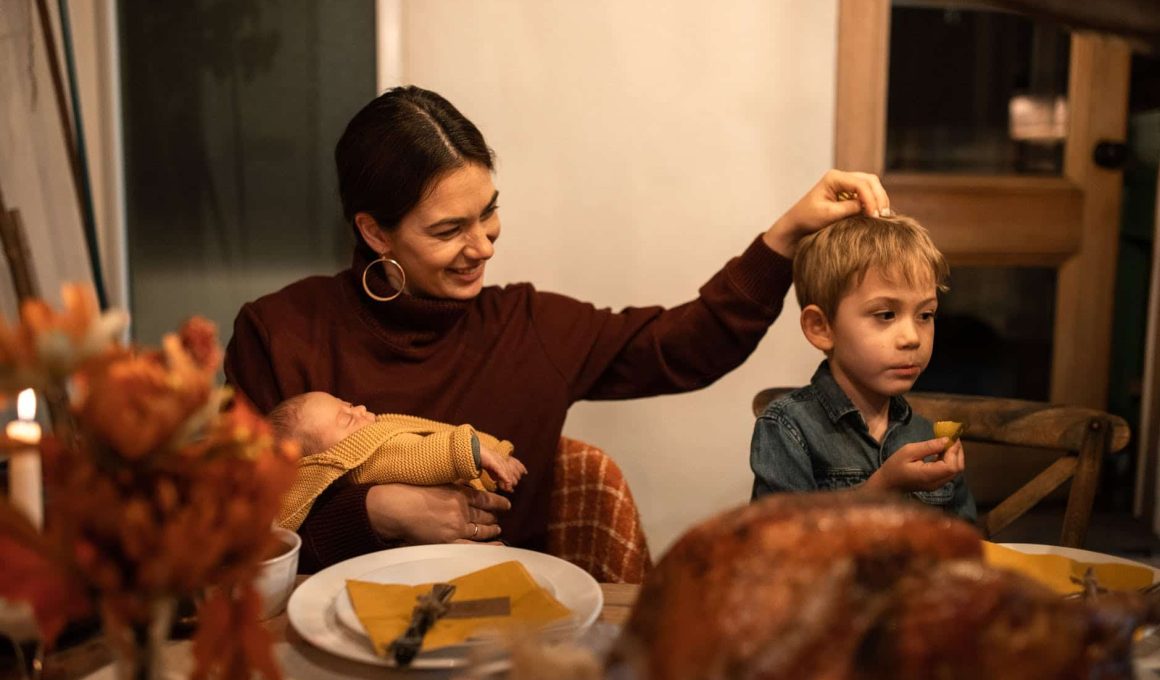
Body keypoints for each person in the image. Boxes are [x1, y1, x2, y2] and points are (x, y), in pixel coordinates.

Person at [224, 85, 895, 572]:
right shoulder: (278, 334)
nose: (483, 245)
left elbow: (690, 348)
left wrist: (785, 236)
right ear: (374, 231)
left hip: (501, 638)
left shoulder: (528, 326)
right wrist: (378, 512)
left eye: (488, 213)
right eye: (449, 229)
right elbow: (235, 539)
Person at [749, 214, 977, 521]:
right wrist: (880, 490)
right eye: (885, 315)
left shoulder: (925, 435)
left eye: (925, 315)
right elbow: (778, 547)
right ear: (821, 327)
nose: (912, 338)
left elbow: (967, 543)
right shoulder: (788, 427)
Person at [269, 391, 526, 533]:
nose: (358, 409)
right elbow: (418, 454)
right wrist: (471, 451)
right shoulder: (361, 458)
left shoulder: (372, 437)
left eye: (347, 404)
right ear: (322, 458)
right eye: (346, 419)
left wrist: (494, 451)